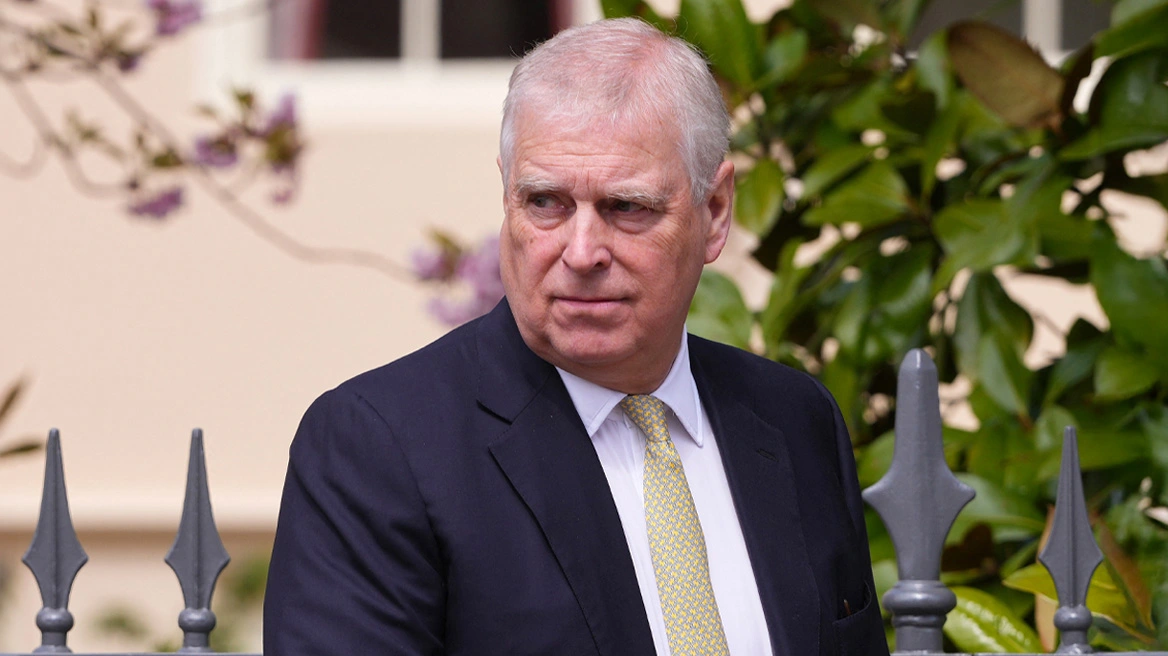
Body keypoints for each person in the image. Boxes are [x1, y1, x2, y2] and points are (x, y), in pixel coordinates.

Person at [263, 17, 888, 656]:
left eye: (627, 207)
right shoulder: (380, 449)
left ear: (716, 212)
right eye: (545, 203)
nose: (582, 252)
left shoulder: (795, 420)